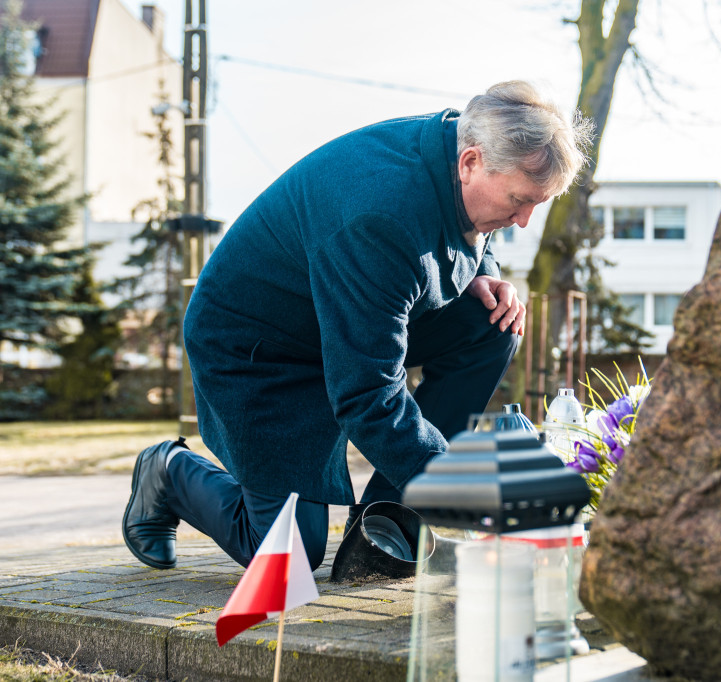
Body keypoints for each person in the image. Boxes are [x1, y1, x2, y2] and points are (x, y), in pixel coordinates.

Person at [122, 80, 593, 571]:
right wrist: (464, 489)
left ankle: (388, 519)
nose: (523, 221)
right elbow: (368, 395)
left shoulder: (464, 139)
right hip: (258, 347)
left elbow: (476, 230)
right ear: (470, 162)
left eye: (538, 204)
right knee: (288, 557)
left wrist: (484, 272)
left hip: (337, 321)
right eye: (519, 200)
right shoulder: (380, 216)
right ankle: (169, 472)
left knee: (492, 321)